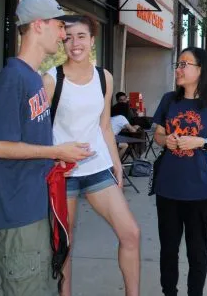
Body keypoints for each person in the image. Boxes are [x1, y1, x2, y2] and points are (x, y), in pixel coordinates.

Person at [0, 0, 93, 295]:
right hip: (16, 214)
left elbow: (28, 143)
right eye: (59, 26)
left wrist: (55, 159)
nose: (63, 35)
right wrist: (56, 152)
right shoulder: (13, 77)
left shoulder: (33, 78)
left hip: (35, 208)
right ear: (38, 25)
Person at [42, 15, 141, 296]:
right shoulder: (51, 79)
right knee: (65, 244)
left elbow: (105, 126)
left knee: (130, 233)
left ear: (92, 40)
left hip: (98, 168)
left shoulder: (104, 77)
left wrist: (117, 165)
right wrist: (52, 155)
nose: (75, 43)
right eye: (69, 37)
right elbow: (38, 130)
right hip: (64, 174)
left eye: (81, 36)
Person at [151, 47, 207, 296]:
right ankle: (169, 292)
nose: (179, 69)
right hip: (168, 187)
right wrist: (167, 140)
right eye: (178, 63)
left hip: (198, 189)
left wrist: (200, 142)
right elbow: (157, 134)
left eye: (185, 64)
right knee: (168, 249)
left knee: (197, 250)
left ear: (201, 70)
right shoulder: (168, 100)